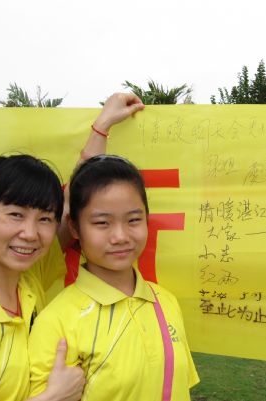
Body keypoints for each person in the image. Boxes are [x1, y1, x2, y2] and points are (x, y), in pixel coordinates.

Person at [0, 93, 145, 401]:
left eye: (44, 218)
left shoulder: (28, 279)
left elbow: (73, 203)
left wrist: (102, 126)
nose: (30, 234)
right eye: (15, 215)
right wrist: (52, 398)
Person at [27, 154, 199, 400]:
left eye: (133, 220)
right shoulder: (56, 323)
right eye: (102, 223)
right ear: (74, 227)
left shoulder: (165, 302)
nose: (120, 236)